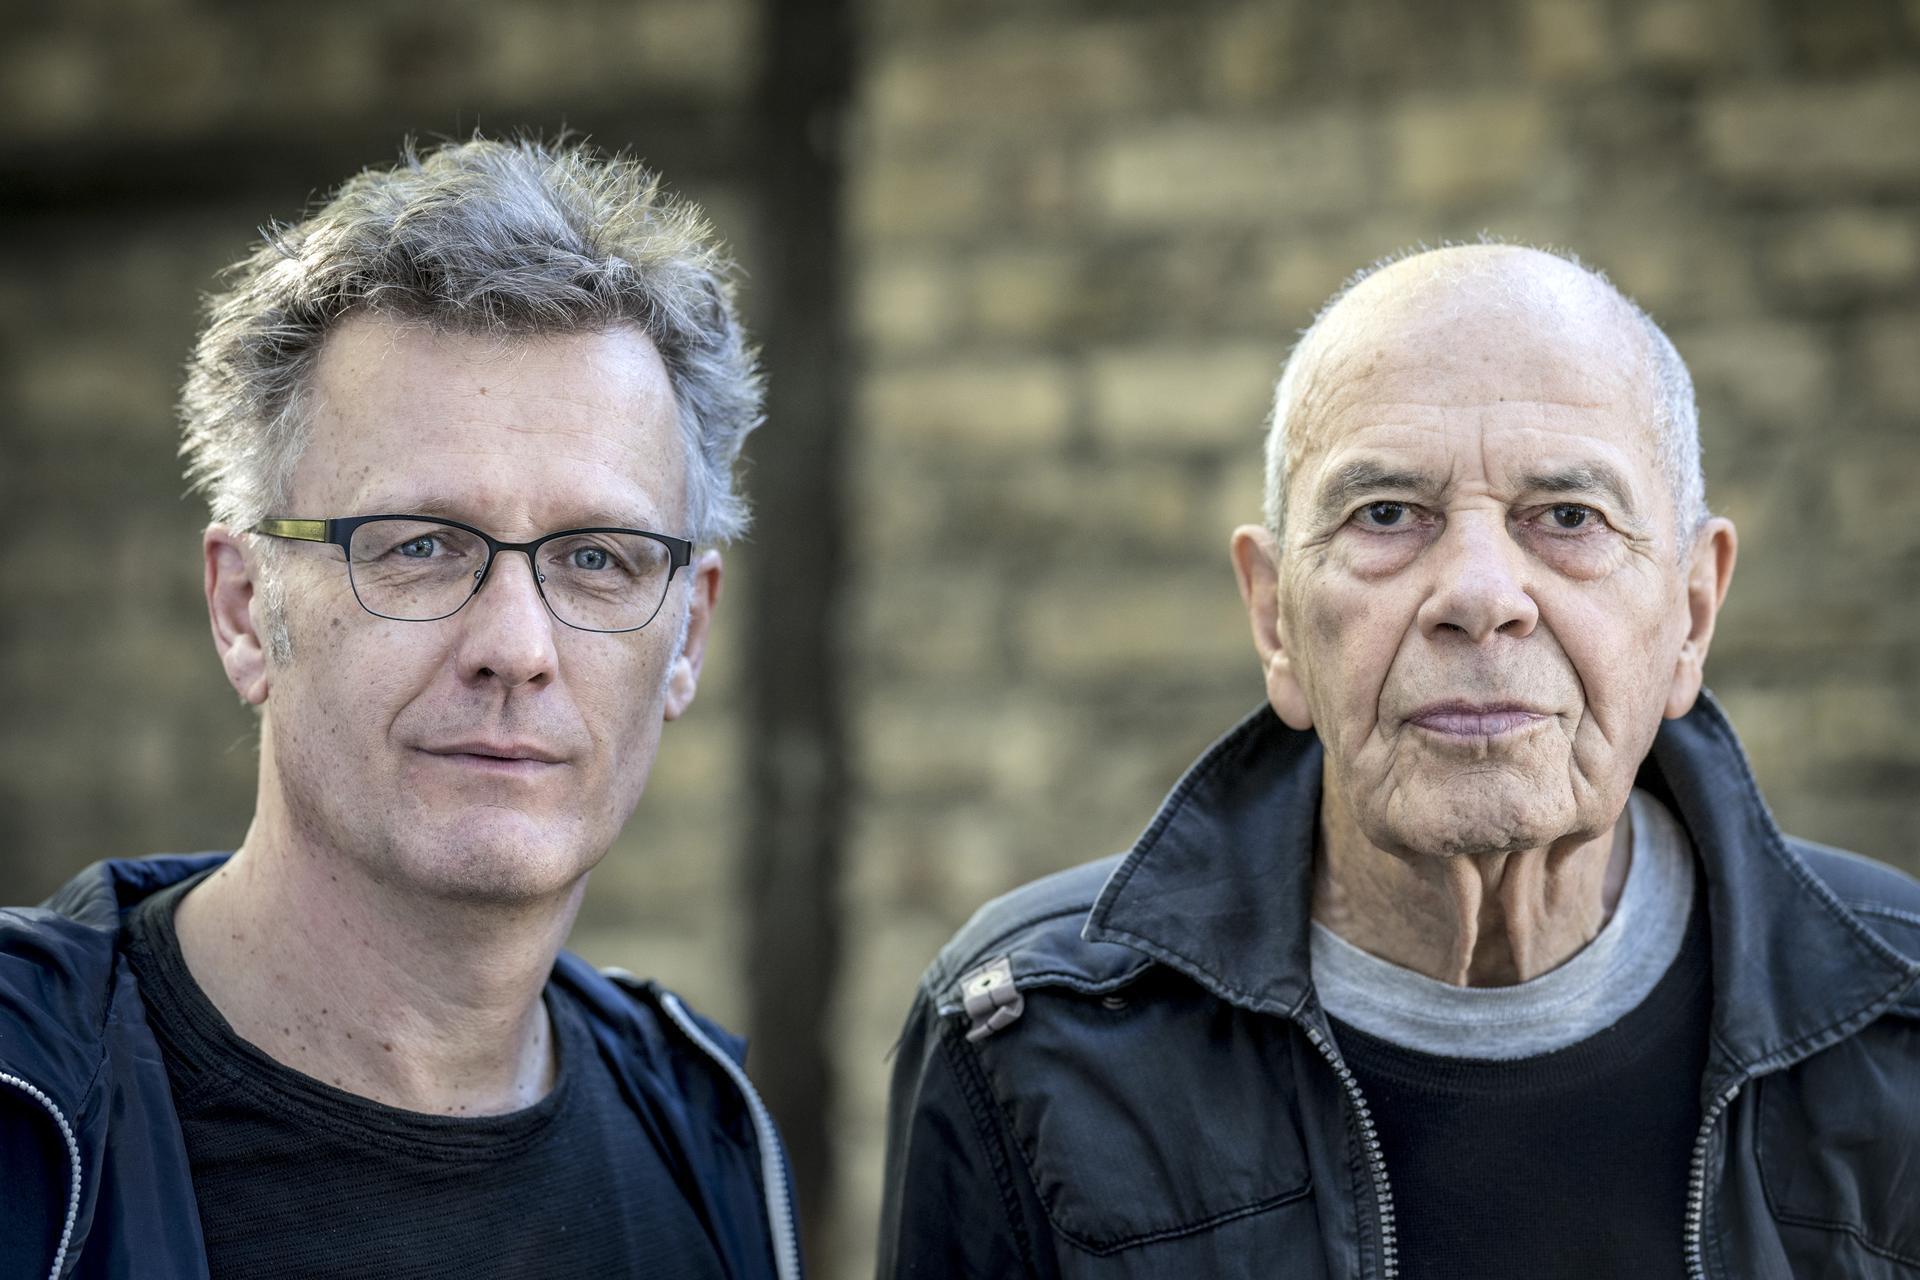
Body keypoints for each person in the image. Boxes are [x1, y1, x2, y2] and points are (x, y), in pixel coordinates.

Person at [877, 244, 1920, 1279]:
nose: (1479, 594)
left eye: (1568, 517)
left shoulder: (1899, 1026)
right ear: (1274, 617)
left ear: (1692, 612)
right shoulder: (1030, 1042)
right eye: (1385, 515)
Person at [0, 137, 799, 1280]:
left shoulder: (711, 1132)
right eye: (420, 545)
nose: (516, 648)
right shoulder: (23, 1116)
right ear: (243, 608)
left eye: (596, 558)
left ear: (690, 636)